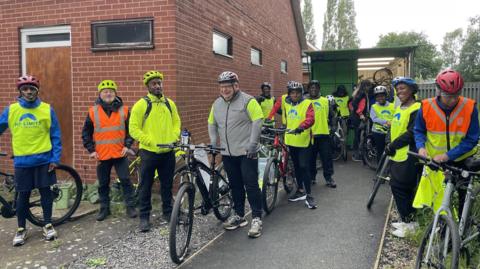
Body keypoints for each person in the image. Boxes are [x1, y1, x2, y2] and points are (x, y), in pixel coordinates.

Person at [0, 75, 61, 246]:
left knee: (45, 193)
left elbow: (55, 135)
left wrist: (55, 158)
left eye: (31, 89)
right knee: (22, 197)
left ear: (37, 91)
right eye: (25, 89)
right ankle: (21, 228)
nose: (28, 92)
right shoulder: (11, 110)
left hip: (44, 160)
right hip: (22, 162)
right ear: (20, 91)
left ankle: (47, 224)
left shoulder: (47, 109)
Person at [413, 69, 478, 219]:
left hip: (462, 160)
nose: (453, 100)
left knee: (464, 199)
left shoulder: (469, 107)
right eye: (448, 95)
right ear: (438, 90)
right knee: (440, 198)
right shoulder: (426, 107)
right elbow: (418, 131)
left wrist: (448, 155)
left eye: (456, 95)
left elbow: (472, 139)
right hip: (437, 162)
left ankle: (461, 231)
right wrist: (421, 147)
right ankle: (441, 229)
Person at [208, 71, 264, 238]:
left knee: (251, 184)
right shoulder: (217, 104)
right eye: (222, 86)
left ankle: (256, 218)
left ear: (236, 86)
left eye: (228, 86)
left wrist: (253, 144)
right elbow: (211, 123)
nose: (225, 90)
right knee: (235, 185)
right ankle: (239, 215)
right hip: (228, 153)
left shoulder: (248, 101)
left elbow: (258, 120)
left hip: (247, 152)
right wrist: (213, 142)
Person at [129, 71, 181, 232]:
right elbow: (133, 129)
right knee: (146, 185)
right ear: (148, 86)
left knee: (167, 185)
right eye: (154, 84)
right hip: (149, 153)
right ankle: (144, 217)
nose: (157, 86)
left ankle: (167, 213)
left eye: (159, 83)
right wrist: (149, 141)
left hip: (168, 152)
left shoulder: (169, 103)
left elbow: (176, 122)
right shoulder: (141, 105)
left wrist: (174, 136)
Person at [82, 80, 137, 221]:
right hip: (102, 154)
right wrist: (91, 150)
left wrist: (127, 145)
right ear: (100, 94)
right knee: (103, 183)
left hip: (120, 153)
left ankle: (130, 207)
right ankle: (104, 209)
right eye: (105, 91)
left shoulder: (124, 110)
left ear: (115, 93)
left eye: (111, 91)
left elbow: (131, 131)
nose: (108, 93)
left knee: (125, 180)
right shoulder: (93, 111)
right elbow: (86, 133)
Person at [383, 77, 422, 238]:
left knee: (401, 188)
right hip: (397, 155)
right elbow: (394, 127)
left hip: (408, 155)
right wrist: (388, 141)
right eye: (397, 89)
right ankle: (407, 220)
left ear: (412, 90)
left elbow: (411, 133)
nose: (399, 92)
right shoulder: (401, 108)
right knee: (398, 188)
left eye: (402, 89)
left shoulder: (417, 108)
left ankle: (410, 224)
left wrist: (392, 145)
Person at [282, 81, 317, 209]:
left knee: (304, 167)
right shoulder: (286, 103)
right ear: (289, 93)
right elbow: (287, 118)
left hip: (303, 141)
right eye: (292, 92)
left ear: (301, 93)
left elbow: (311, 119)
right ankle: (300, 190)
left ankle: (309, 195)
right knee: (296, 167)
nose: (295, 95)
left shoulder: (307, 103)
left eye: (297, 92)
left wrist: (301, 127)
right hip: (291, 140)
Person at [307, 80, 336, 188]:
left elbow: (332, 116)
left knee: (326, 159)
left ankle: (329, 178)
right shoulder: (305, 102)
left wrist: (333, 126)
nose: (313, 89)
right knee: (310, 159)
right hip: (309, 135)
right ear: (308, 89)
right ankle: (311, 177)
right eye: (311, 87)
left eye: (315, 87)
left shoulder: (325, 101)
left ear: (319, 89)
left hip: (324, 134)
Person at [370, 86, 395, 162]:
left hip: (391, 131)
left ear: (385, 96)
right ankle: (380, 169)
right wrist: (386, 122)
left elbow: (397, 116)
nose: (380, 98)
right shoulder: (374, 106)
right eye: (378, 96)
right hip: (378, 132)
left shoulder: (392, 106)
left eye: (382, 96)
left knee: (391, 150)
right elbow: (374, 118)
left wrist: (393, 122)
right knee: (380, 151)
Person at [350, 80, 371, 161]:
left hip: (355, 117)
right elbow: (358, 105)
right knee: (358, 136)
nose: (370, 88)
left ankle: (356, 154)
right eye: (369, 86)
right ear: (366, 86)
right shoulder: (362, 93)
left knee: (357, 135)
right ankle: (356, 155)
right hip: (358, 117)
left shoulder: (358, 92)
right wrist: (361, 114)